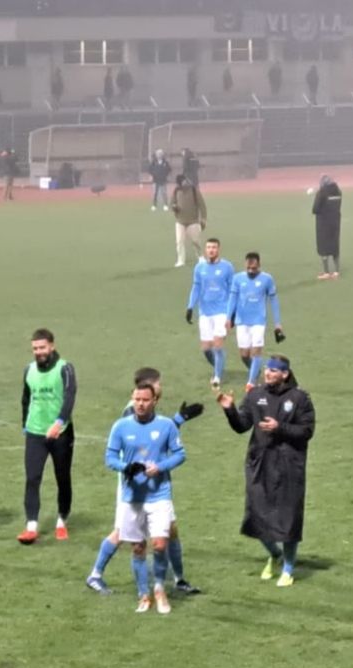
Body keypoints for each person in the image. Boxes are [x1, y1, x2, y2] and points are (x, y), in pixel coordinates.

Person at [86, 368, 203, 596]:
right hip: (132, 480)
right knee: (122, 533)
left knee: (171, 530)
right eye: (158, 384)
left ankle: (179, 579)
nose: (160, 387)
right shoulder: (130, 412)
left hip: (154, 485)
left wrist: (179, 419)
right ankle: (96, 574)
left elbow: (157, 435)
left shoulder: (150, 410)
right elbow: (142, 441)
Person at [217, 355, 315, 587]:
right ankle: (275, 554)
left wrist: (279, 427)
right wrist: (230, 410)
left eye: (274, 370)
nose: (268, 373)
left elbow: (306, 431)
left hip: (289, 466)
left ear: (285, 374)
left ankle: (288, 568)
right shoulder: (255, 395)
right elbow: (242, 426)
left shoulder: (299, 398)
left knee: (288, 518)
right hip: (260, 464)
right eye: (267, 369)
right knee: (257, 515)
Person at [104, 382, 186, 614]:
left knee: (159, 544)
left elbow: (180, 454)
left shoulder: (166, 425)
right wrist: (126, 467)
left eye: (145, 400)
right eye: (137, 399)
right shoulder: (120, 426)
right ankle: (143, 594)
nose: (140, 404)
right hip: (132, 497)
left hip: (159, 495)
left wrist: (160, 467)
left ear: (155, 401)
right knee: (138, 548)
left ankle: (159, 588)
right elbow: (110, 457)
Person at [17, 329, 77, 544]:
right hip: (35, 432)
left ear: (52, 346)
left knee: (62, 477)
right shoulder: (29, 370)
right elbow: (26, 398)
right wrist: (25, 425)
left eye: (42, 347)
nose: (39, 352)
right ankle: (31, 526)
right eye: (35, 348)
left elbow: (70, 397)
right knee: (32, 478)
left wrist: (59, 423)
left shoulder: (65, 368)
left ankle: (61, 520)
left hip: (61, 433)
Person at [227, 251, 283, 391]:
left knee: (256, 352)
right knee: (244, 355)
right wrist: (228, 317)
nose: (251, 271)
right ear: (245, 265)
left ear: (259, 265)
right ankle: (257, 371)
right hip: (242, 321)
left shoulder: (267, 279)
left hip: (258, 321)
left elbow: (273, 301)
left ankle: (251, 383)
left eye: (254, 268)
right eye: (248, 268)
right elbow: (232, 299)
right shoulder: (237, 279)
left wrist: (277, 323)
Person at [185, 237, 235, 390]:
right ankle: (219, 366)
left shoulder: (227, 267)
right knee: (206, 348)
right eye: (208, 247)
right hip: (205, 312)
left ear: (218, 249)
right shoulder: (199, 268)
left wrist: (232, 312)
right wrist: (190, 307)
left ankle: (217, 376)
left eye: (214, 247)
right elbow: (196, 287)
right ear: (205, 250)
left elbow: (233, 290)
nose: (211, 250)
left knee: (218, 345)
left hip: (221, 311)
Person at [170, 174, 206, 267]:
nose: (182, 184)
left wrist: (203, 218)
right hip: (180, 221)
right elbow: (172, 203)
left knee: (195, 241)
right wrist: (174, 207)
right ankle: (180, 260)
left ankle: (200, 257)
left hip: (193, 221)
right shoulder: (176, 190)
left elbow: (202, 205)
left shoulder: (194, 190)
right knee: (179, 242)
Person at [312, 175, 342, 279]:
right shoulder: (338, 192)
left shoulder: (321, 193)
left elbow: (315, 209)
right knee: (335, 246)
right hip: (335, 222)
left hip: (323, 224)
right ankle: (336, 271)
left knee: (323, 247)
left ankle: (326, 272)